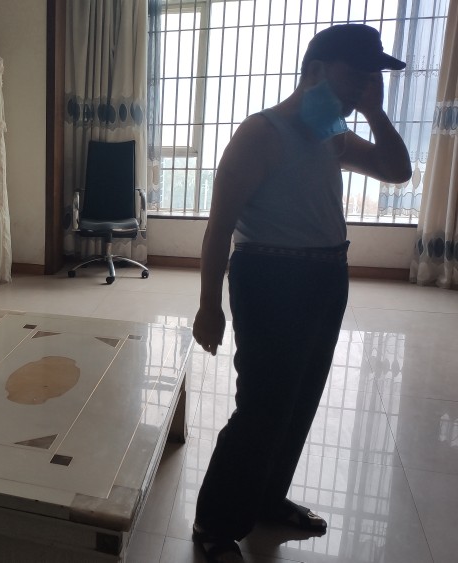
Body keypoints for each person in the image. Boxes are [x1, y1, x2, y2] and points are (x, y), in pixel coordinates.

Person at [190, 24, 412, 563]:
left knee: (300, 400)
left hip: (326, 278)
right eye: (355, 76)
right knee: (263, 406)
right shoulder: (261, 133)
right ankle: (214, 524)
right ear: (315, 69)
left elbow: (397, 171)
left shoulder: (329, 133)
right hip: (269, 279)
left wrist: (376, 113)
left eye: (371, 79)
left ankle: (267, 499)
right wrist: (209, 306)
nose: (361, 88)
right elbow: (219, 228)